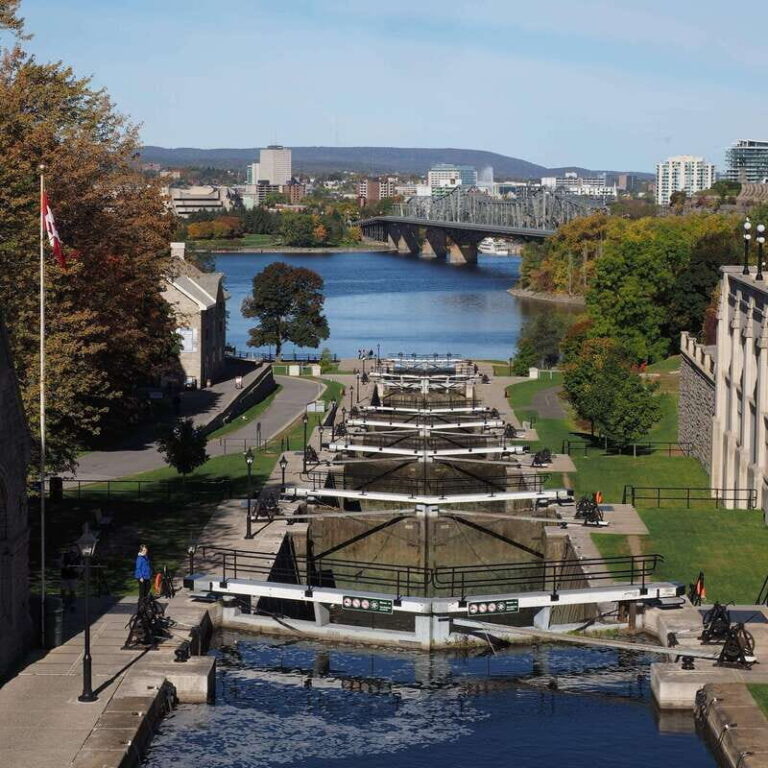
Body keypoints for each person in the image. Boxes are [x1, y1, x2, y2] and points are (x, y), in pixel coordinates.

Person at [59, 544, 81, 611]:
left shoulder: (79, 557)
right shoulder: (65, 555)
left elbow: (80, 567)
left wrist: (76, 569)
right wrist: (65, 567)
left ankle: (73, 605)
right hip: (65, 575)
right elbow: (60, 563)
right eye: (72, 548)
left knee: (73, 591)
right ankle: (62, 603)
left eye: (75, 548)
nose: (73, 549)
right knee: (63, 590)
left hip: (73, 576)